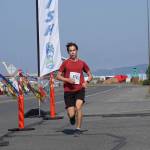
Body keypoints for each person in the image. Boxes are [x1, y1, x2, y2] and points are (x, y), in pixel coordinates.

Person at [57, 42, 92, 135]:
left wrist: (86, 82)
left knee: (78, 107)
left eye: (74, 50)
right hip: (68, 91)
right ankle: (72, 118)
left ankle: (78, 128)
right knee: (71, 113)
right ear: (68, 52)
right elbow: (58, 76)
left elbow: (90, 75)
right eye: (70, 51)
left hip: (79, 89)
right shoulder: (65, 63)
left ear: (77, 51)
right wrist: (67, 79)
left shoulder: (82, 63)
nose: (72, 52)